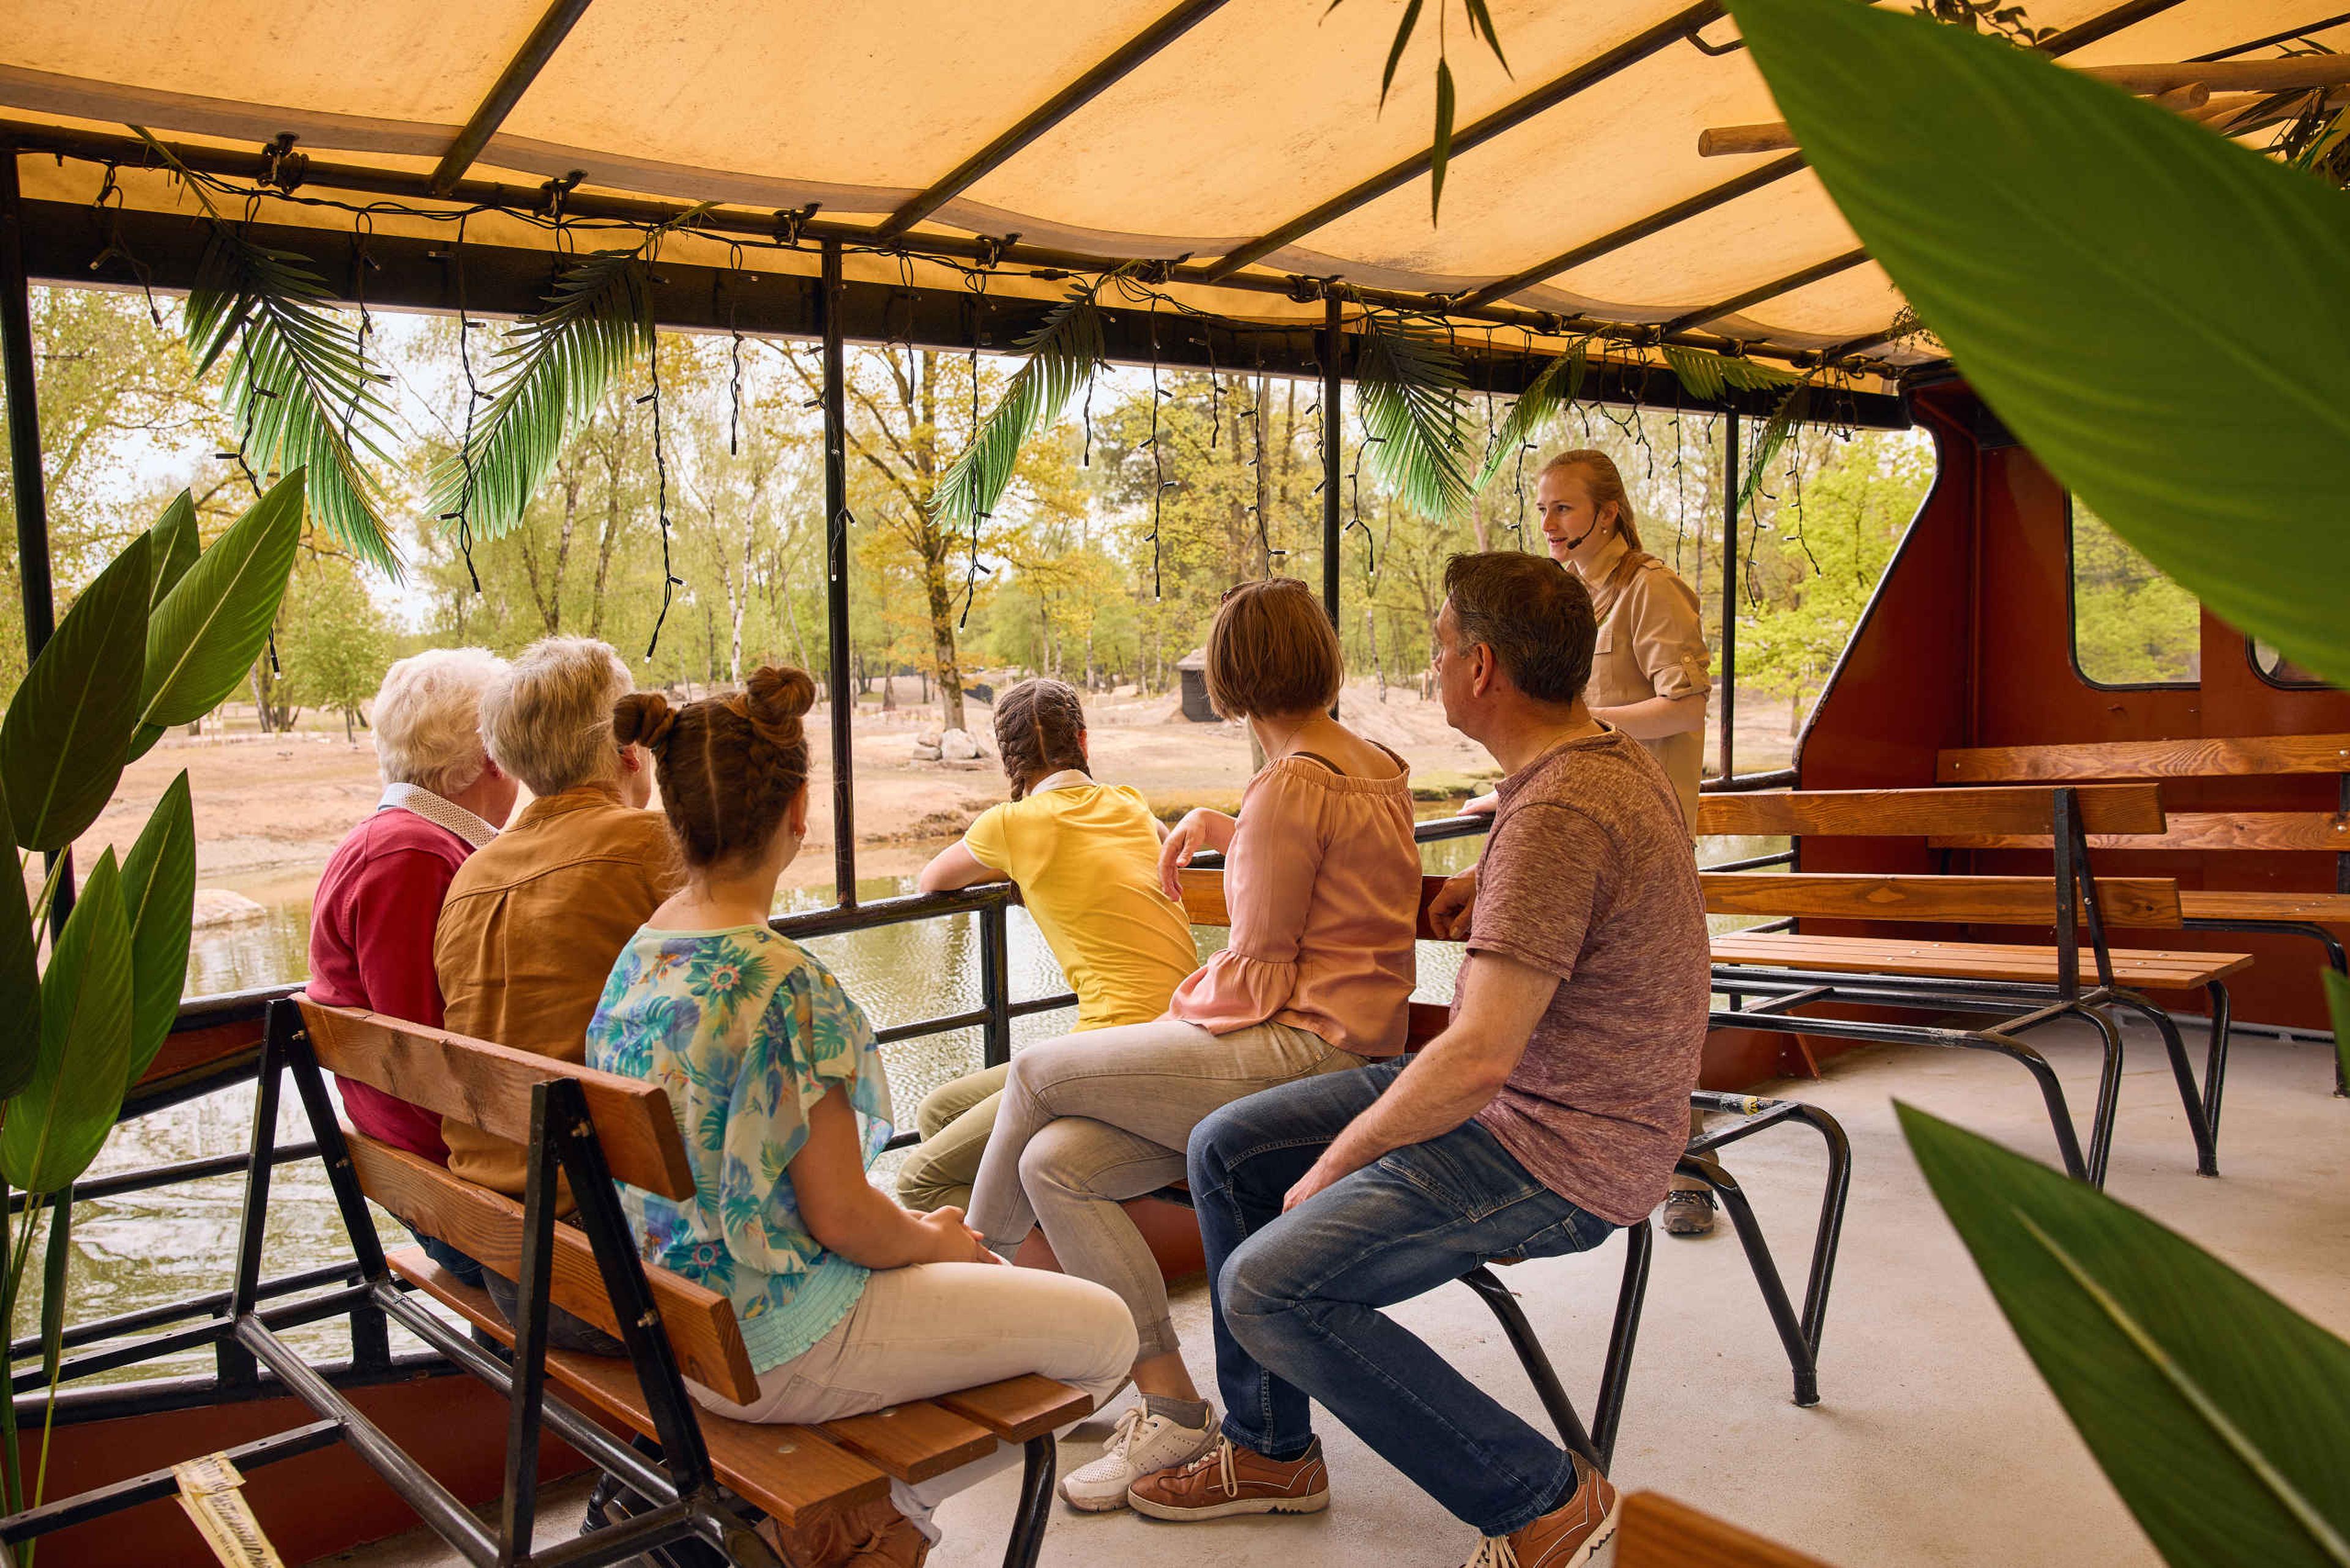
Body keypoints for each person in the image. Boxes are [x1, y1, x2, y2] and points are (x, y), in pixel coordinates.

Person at [1127, 551, 1710, 1568]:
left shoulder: (1560, 812)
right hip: (1540, 1099)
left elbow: (1477, 1056)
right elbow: (1562, 881)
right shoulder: (1597, 762)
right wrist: (1486, 876)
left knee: (1268, 1287)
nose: (1432, 663)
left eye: (1440, 646)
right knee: (1226, 1148)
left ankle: (1546, 1504)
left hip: (1562, 1146)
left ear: (1481, 667)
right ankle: (1271, 1450)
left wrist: (1340, 1160)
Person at [587, 668, 1136, 1567]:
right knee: (1107, 1333)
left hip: (681, 1327)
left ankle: (852, 1516)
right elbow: (846, 1219)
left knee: (977, 1276)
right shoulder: (787, 986)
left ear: (673, 815)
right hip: (777, 1342)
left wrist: (922, 1238)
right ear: (800, 810)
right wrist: (939, 1240)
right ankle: (874, 1516)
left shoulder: (640, 957)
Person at [965, 577, 1421, 1514]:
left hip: (1304, 1051)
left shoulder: (1290, 783)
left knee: (1039, 1071)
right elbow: (1327, 880)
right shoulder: (1374, 763)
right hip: (1355, 1049)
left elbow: (1255, 977)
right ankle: (1171, 1405)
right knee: (1055, 1163)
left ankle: (967, 1276)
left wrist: (1177, 1010)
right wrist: (1238, 829)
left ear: (1228, 677)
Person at [1467, 447, 1718, 1237]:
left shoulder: (1652, 591)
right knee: (1576, 1017)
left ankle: (1688, 1174)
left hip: (1645, 836)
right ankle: (1567, 1161)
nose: (1548, 522)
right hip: (1579, 826)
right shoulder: (1568, 599)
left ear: (1608, 513)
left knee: (1646, 1015)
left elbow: (1686, 706)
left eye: (1564, 507)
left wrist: (1589, 728)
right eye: (1542, 507)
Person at [434, 636, 676, 1349]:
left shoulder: (470, 877)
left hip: (503, 1255)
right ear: (629, 749)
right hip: (617, 1269)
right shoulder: (651, 848)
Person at [900, 678, 1198, 1212]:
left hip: (1114, 1049)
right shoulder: (1129, 803)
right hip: (1180, 1035)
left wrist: (1014, 861)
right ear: (1083, 741)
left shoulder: (1010, 825)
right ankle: (1015, 1224)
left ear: (1009, 760)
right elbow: (1154, 849)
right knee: (939, 1111)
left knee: (919, 1181)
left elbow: (933, 880)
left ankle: (1022, 1256)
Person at [308, 648, 515, 1286]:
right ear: (492, 754)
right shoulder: (412, 857)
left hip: (440, 1184)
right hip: (465, 1205)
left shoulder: (402, 841)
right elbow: (426, 1055)